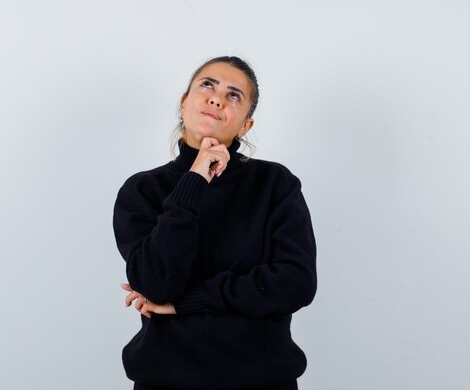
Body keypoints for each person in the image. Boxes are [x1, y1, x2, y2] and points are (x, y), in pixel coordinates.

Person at [113, 56, 317, 390]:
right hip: (166, 380)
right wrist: (194, 179)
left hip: (262, 380)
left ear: (245, 126)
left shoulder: (275, 184)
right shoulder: (143, 190)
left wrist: (186, 302)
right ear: (183, 103)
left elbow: (296, 283)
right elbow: (155, 283)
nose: (216, 98)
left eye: (234, 95)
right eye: (207, 85)